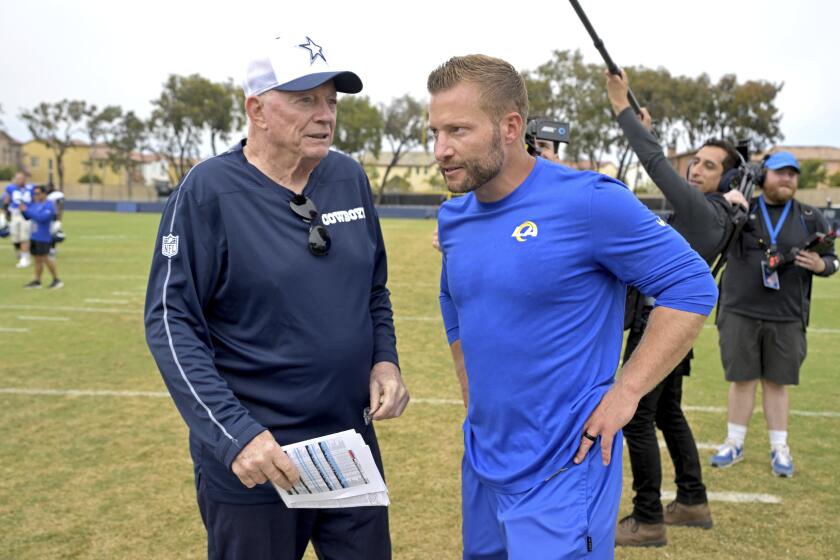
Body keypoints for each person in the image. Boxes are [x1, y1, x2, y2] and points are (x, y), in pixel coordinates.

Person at [430, 54, 718, 559]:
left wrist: (627, 391)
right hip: (483, 463)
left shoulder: (588, 201)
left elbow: (692, 285)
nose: (440, 150)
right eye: (434, 131)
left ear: (511, 127)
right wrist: (467, 380)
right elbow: (452, 293)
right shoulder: (455, 217)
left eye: (457, 130)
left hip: (565, 467)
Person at [144, 34, 409, 560]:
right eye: (305, 99)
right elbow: (171, 324)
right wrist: (235, 435)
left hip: (348, 450)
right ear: (257, 110)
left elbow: (373, 290)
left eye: (331, 101)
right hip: (256, 458)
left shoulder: (348, 176)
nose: (324, 115)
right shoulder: (207, 192)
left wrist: (385, 360)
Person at [604, 71, 748, 546]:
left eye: (709, 166)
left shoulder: (706, 211)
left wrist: (622, 107)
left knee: (639, 417)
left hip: (660, 322)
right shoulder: (717, 210)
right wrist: (645, 126)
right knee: (668, 415)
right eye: (697, 162)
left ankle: (647, 518)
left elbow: (652, 161)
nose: (696, 170)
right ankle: (692, 500)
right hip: (677, 323)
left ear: (726, 178)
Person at [711, 151, 837, 477]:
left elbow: (833, 260)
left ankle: (779, 447)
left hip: (787, 314)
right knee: (741, 380)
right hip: (739, 309)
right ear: (764, 175)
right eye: (780, 172)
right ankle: (733, 442)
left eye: (792, 174)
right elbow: (714, 227)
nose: (787, 179)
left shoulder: (810, 216)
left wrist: (822, 265)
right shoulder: (742, 209)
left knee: (777, 383)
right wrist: (734, 189)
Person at [19, 185, 62, 289]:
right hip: (34, 235)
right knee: (37, 259)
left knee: (46, 258)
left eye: (38, 193)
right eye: (35, 194)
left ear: (44, 194)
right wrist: (23, 210)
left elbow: (42, 218)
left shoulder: (49, 205)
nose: (36, 196)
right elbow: (28, 217)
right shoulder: (35, 204)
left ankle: (56, 280)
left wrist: (28, 211)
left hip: (43, 237)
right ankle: (37, 281)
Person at [3, 171, 34, 267]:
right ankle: (21, 253)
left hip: (26, 214)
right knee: (15, 237)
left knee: (24, 237)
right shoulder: (11, 188)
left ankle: (25, 258)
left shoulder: (31, 188)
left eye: (21, 178)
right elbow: (6, 200)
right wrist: (5, 213)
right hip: (14, 213)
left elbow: (36, 199)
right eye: (18, 178)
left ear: (25, 179)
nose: (19, 180)